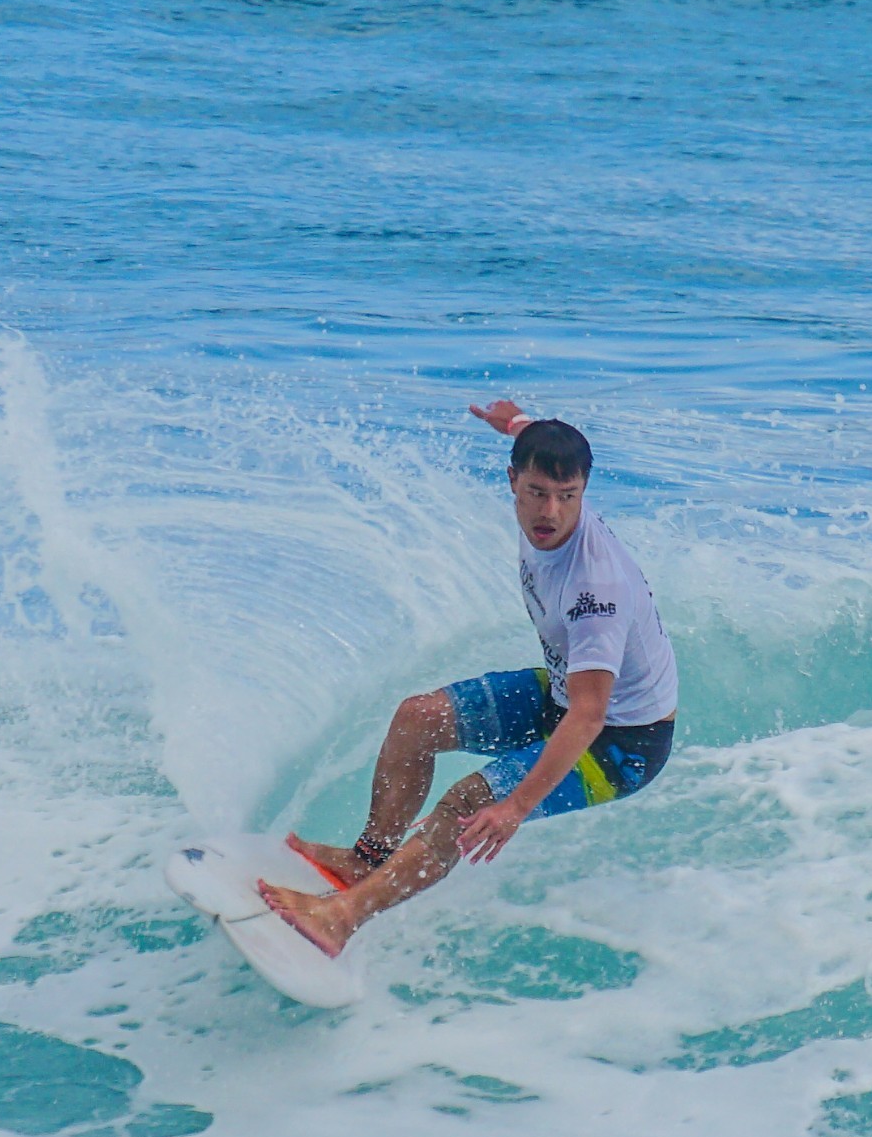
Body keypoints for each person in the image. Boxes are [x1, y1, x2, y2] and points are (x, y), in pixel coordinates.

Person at [260, 399, 679, 957]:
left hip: (622, 744)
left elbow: (590, 714)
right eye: (537, 492)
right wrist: (513, 421)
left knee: (465, 804)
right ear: (513, 480)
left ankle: (342, 918)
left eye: (567, 497)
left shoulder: (594, 588)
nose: (550, 511)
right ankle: (368, 859)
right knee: (418, 718)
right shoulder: (543, 473)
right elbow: (531, 437)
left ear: (584, 491)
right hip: (563, 694)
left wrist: (514, 808)